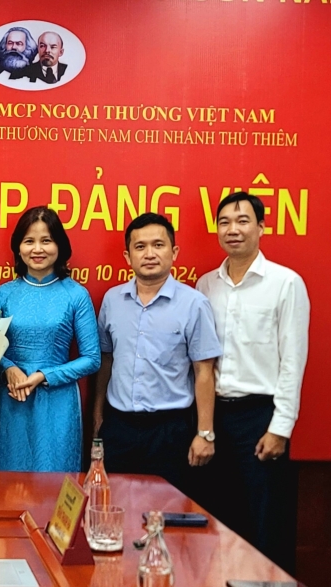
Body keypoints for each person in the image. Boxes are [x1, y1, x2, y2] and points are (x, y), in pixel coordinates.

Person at [197, 192, 308, 573]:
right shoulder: (206, 285)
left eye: (243, 220)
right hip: (215, 416)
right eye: (225, 222)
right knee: (220, 518)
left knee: (265, 523)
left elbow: (293, 361)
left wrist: (280, 428)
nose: (233, 229)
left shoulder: (285, 283)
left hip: (260, 417)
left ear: (261, 227)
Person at [94, 213, 221, 495]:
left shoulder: (194, 304)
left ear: (174, 252)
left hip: (170, 431)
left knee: (166, 511)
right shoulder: (112, 300)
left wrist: (205, 433)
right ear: (127, 256)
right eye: (140, 247)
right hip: (119, 428)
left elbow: (204, 371)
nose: (149, 254)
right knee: (115, 507)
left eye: (158, 245)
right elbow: (106, 361)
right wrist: (98, 416)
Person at [0, 207, 100, 472]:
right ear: (18, 248)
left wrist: (45, 375)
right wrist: (8, 368)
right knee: (9, 481)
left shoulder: (76, 295)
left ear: (59, 246)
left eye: (46, 241)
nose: (37, 249)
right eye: (29, 241)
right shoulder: (4, 293)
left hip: (57, 401)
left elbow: (92, 358)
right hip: (13, 397)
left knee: (54, 480)